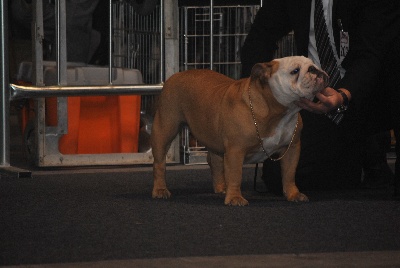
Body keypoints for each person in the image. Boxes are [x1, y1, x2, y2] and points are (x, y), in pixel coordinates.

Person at [240, 0, 400, 196]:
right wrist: (251, 94)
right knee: (280, 176)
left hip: (369, 92)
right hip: (316, 97)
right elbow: (260, 36)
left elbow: (371, 54)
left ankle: (367, 151)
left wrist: (344, 94)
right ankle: (354, 155)